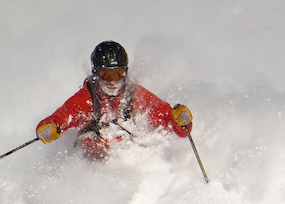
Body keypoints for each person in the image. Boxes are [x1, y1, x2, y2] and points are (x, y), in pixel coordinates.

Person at [35, 41, 193, 158]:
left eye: (117, 74)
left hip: (128, 162)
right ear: (95, 73)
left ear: (125, 72)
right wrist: (48, 128)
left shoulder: (136, 95)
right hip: (92, 163)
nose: (112, 82)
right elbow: (60, 119)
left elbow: (171, 124)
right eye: (106, 75)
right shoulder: (86, 99)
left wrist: (181, 121)